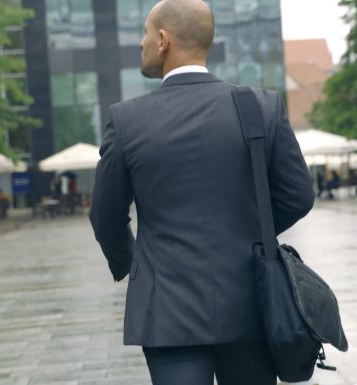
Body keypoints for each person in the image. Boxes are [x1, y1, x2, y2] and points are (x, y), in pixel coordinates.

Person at [89, 1, 314, 384]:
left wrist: (134, 263)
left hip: (166, 308)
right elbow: (298, 196)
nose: (141, 43)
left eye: (145, 33)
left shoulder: (126, 121)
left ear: (163, 40)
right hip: (252, 301)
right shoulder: (260, 106)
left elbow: (105, 215)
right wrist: (249, 232)